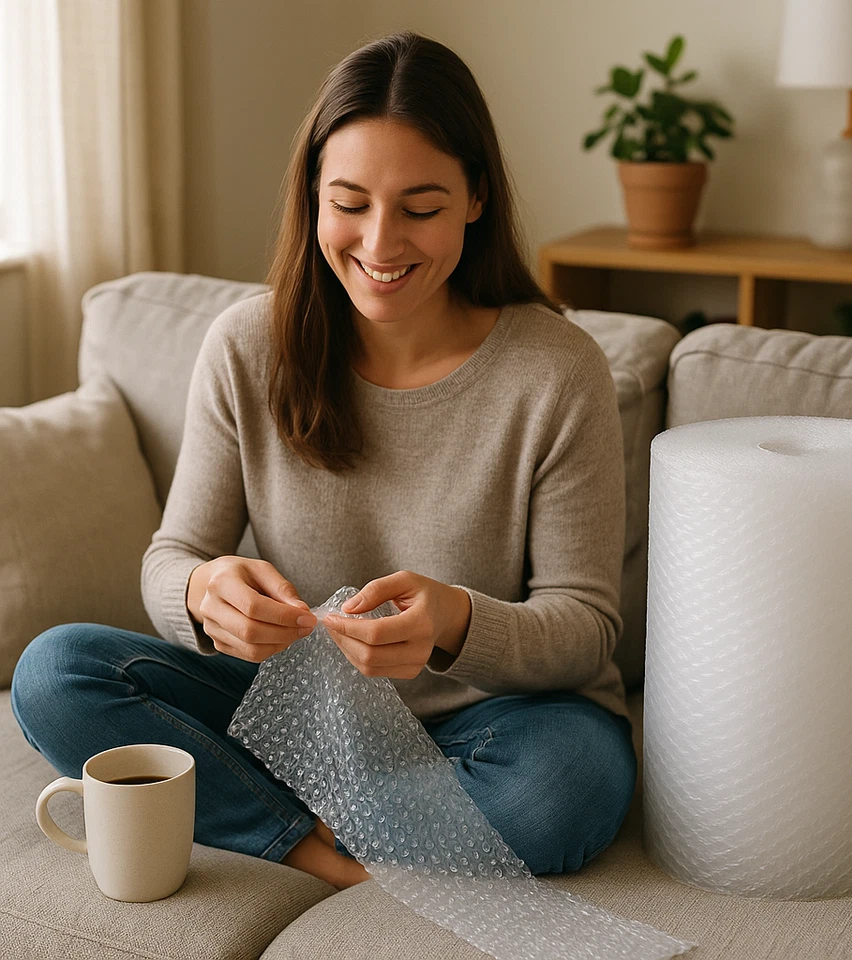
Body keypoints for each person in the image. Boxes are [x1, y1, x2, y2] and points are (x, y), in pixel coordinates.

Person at [11, 30, 635, 892]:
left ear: (476, 198)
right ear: (312, 197)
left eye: (420, 208)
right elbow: (171, 557)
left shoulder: (558, 370)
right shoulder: (247, 347)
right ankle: (317, 849)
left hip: (493, 725)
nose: (381, 243)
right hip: (295, 718)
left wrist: (456, 621)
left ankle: (282, 813)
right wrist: (202, 594)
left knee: (567, 787)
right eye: (350, 203)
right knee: (55, 673)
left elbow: (586, 629)